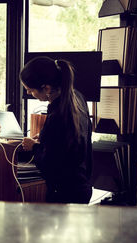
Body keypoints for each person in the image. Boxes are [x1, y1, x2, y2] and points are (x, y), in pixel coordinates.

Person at [20, 56, 92, 204]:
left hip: (65, 192)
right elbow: (71, 142)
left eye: (30, 90)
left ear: (46, 88)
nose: (28, 93)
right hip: (82, 185)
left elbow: (51, 165)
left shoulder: (58, 115)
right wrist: (47, 137)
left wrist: (34, 146)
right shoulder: (78, 97)